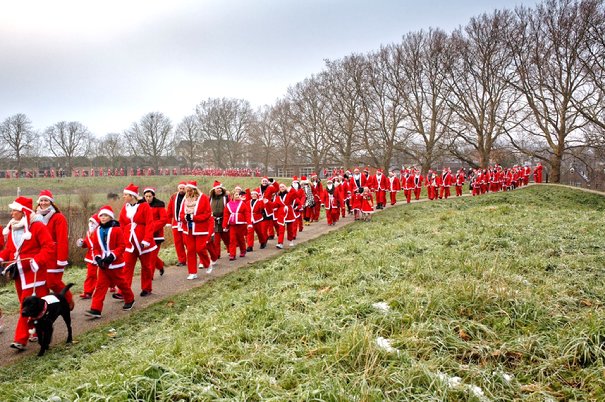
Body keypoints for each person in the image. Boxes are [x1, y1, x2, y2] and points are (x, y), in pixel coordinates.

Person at [0, 196, 54, 351]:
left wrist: (37, 261)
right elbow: (10, 250)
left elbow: (49, 247)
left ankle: (20, 339)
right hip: (19, 274)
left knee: (25, 305)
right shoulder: (13, 227)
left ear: (23, 211)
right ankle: (39, 328)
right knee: (38, 304)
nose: (11, 214)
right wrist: (2, 257)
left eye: (14, 211)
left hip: (34, 274)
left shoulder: (37, 227)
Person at [85, 206, 135, 318]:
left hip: (115, 263)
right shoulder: (97, 230)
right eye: (101, 216)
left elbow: (122, 246)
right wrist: (97, 258)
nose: (103, 218)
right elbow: (96, 247)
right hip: (103, 264)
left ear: (110, 217)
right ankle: (96, 309)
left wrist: (112, 256)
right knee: (100, 286)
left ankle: (130, 299)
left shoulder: (117, 229)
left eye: (105, 215)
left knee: (121, 283)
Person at [36, 190, 74, 310]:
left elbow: (62, 239)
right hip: (41, 255)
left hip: (54, 255)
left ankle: (67, 299)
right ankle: (47, 306)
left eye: (46, 200)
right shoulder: (34, 217)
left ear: (51, 202)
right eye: (41, 200)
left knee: (53, 282)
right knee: (42, 284)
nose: (43, 203)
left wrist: (61, 258)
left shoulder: (58, 217)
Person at [118, 184, 157, 298]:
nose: (124, 196)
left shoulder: (144, 206)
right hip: (129, 242)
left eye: (126, 195)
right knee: (127, 267)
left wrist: (146, 240)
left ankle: (146, 288)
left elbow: (150, 224)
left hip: (142, 242)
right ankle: (123, 291)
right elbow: (121, 223)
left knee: (146, 266)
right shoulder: (125, 207)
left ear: (132, 196)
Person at [180, 181, 212, 278]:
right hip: (188, 229)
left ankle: (207, 263)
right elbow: (181, 214)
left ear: (194, 190)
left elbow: (207, 214)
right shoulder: (184, 200)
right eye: (187, 190)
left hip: (200, 228)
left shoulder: (203, 198)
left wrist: (194, 218)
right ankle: (192, 272)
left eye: (190, 190)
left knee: (200, 248)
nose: (188, 192)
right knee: (190, 250)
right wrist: (185, 218)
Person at [143, 187, 168, 277]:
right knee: (148, 255)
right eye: (146, 196)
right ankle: (160, 265)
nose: (148, 198)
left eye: (150, 196)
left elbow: (164, 220)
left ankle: (149, 277)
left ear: (153, 196)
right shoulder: (141, 204)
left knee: (152, 256)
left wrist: (151, 227)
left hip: (157, 235)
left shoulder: (159, 205)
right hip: (144, 235)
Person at [76, 214, 101, 299]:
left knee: (106, 274)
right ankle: (88, 292)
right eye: (90, 222)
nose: (91, 224)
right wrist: (82, 243)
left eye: (93, 222)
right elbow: (87, 243)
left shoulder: (101, 231)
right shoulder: (89, 233)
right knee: (90, 274)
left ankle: (112, 285)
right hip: (91, 258)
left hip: (101, 256)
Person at [223, 190, 252, 260]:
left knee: (240, 238)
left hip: (240, 223)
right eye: (236, 195)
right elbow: (226, 215)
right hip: (232, 224)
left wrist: (249, 223)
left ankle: (243, 250)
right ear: (232, 196)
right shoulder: (228, 205)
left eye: (239, 195)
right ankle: (232, 254)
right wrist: (224, 225)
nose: (238, 196)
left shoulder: (242, 204)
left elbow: (247, 214)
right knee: (232, 239)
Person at [166, 182, 187, 266]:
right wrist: (168, 221)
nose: (182, 190)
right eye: (180, 188)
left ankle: (191, 257)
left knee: (187, 241)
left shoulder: (188, 196)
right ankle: (182, 260)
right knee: (178, 242)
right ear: (178, 189)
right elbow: (170, 209)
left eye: (183, 188)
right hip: (176, 222)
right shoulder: (174, 197)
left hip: (185, 223)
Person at [209, 181, 230, 262]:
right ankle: (217, 254)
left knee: (226, 237)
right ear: (214, 190)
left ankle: (230, 250)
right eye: (217, 188)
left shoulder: (225, 197)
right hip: (214, 221)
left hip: (223, 220)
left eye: (220, 188)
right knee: (216, 239)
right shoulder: (210, 198)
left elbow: (229, 207)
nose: (219, 189)